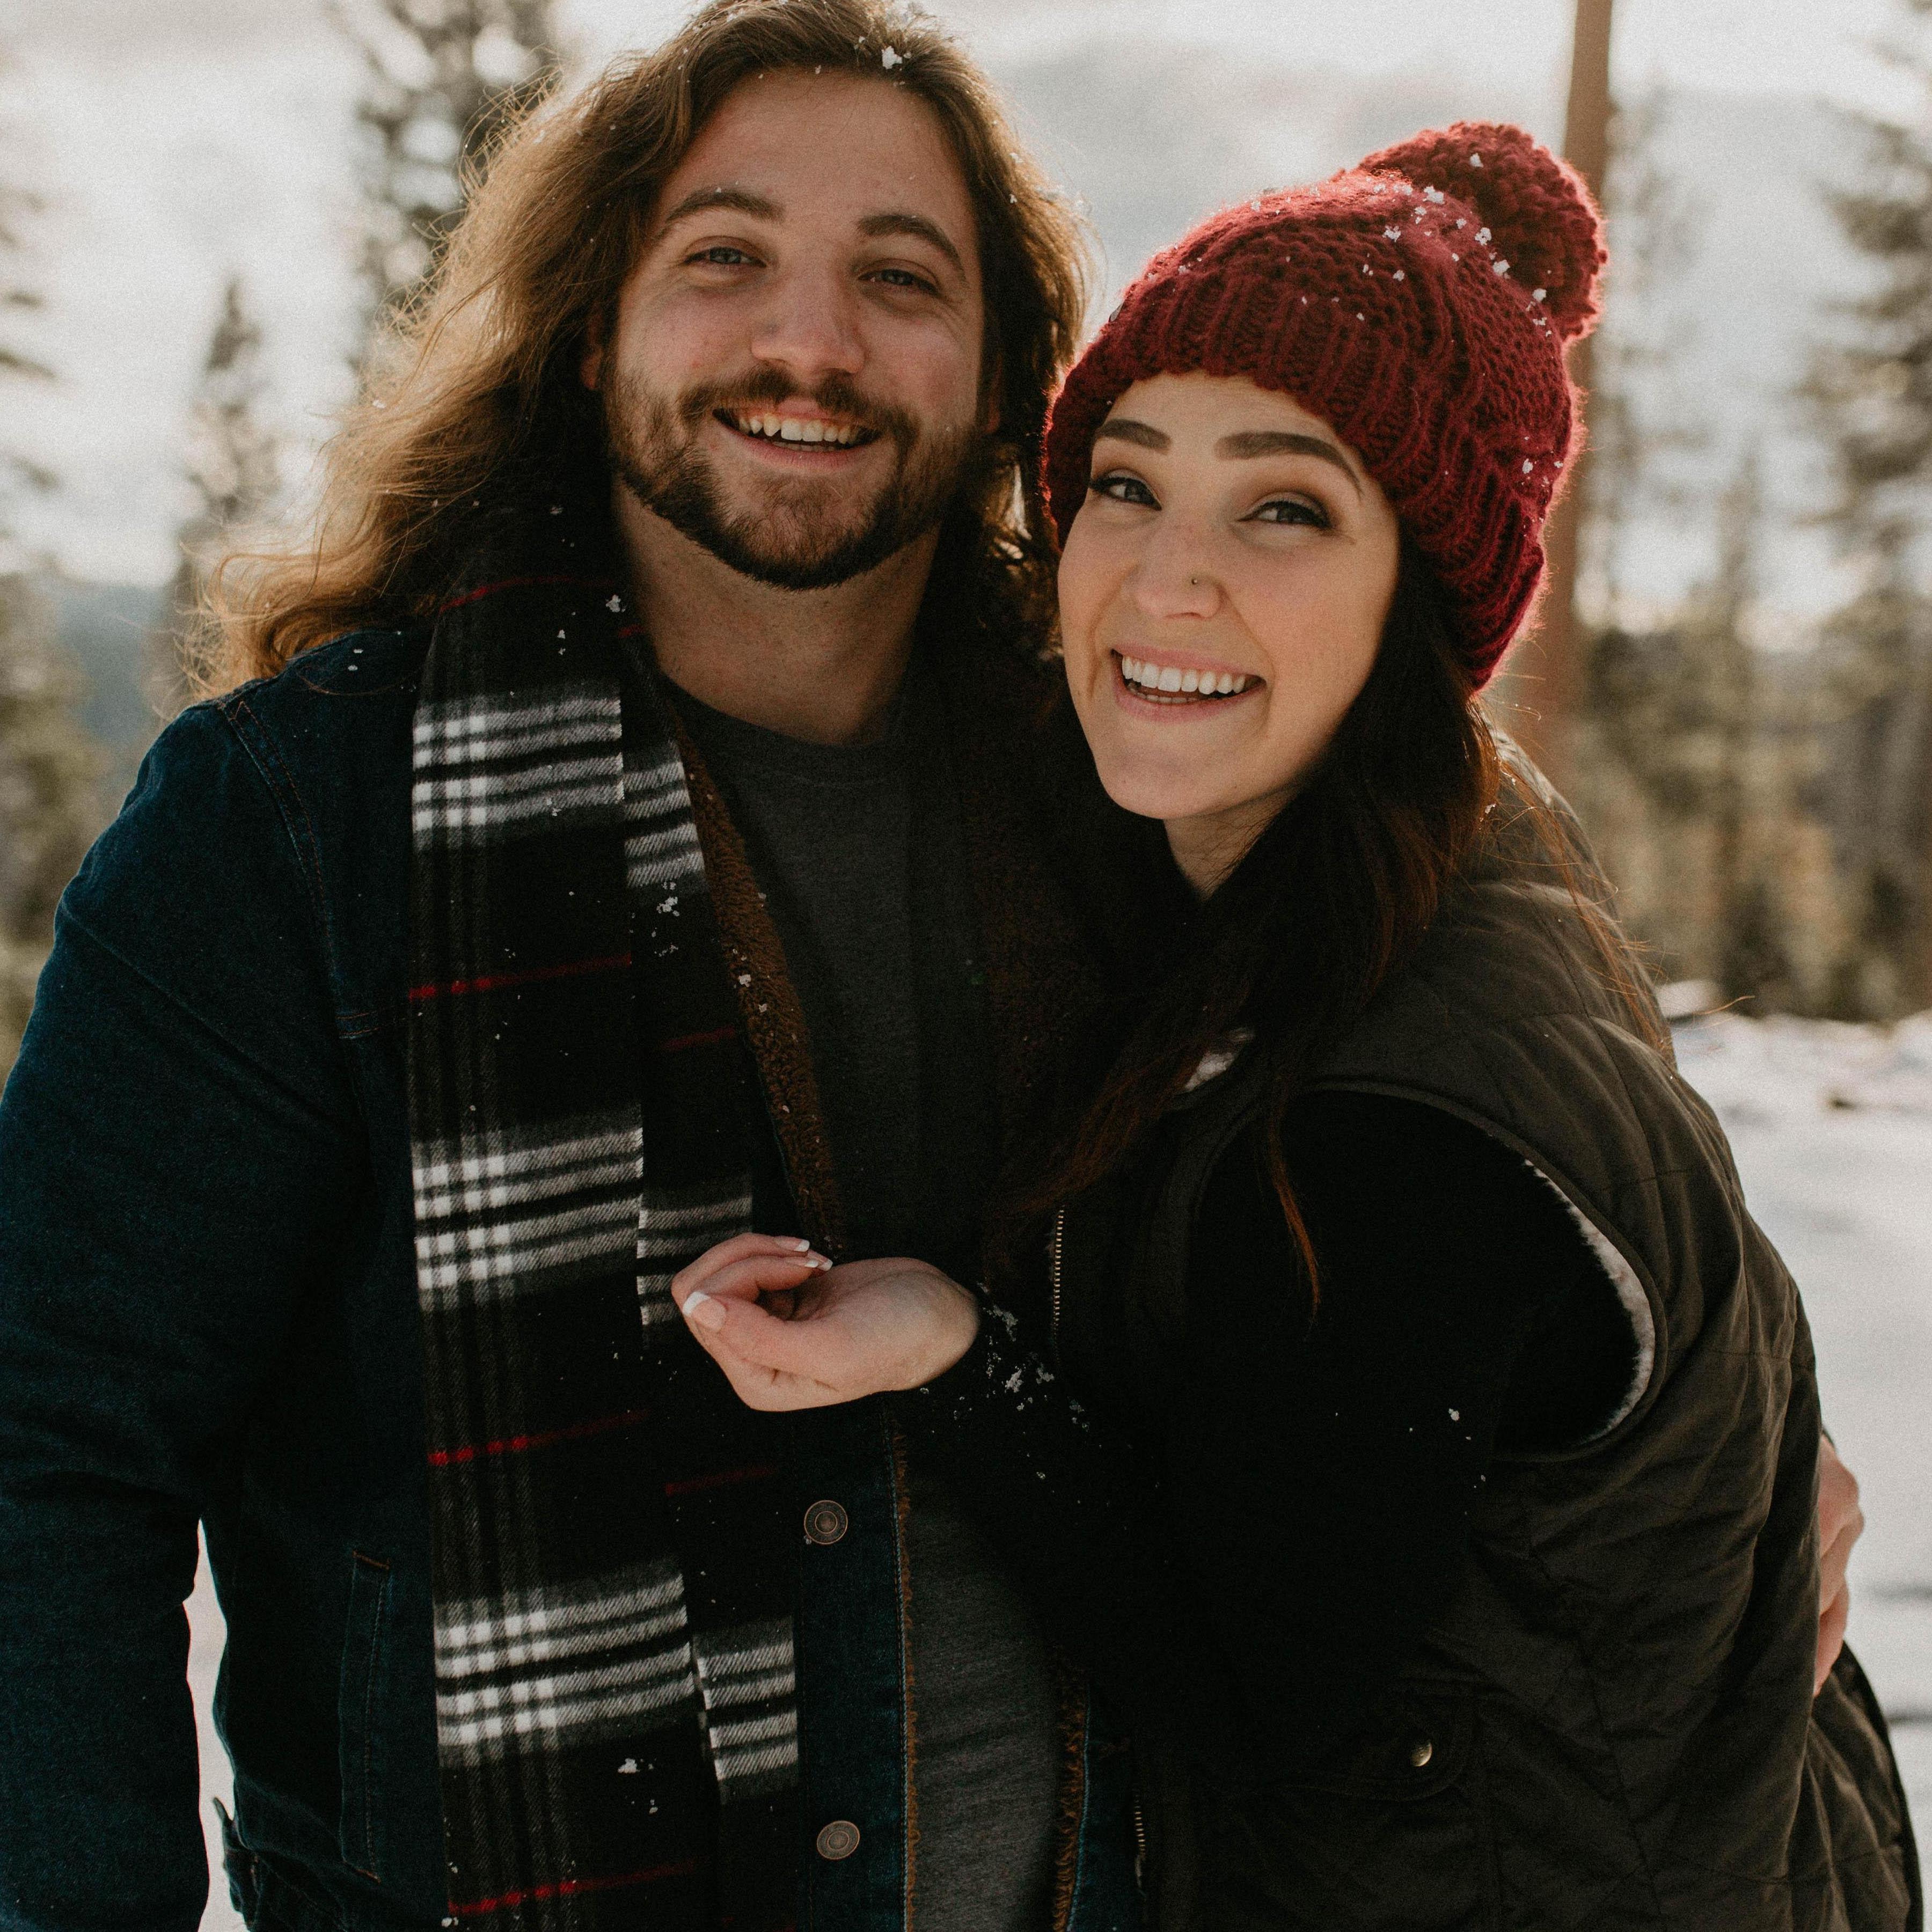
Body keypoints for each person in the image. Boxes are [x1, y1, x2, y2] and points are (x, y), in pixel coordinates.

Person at [666, 123, 1920, 1929]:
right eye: (1124, 482)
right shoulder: (1439, 864)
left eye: (1284, 506)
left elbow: (1251, 1693)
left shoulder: (1381, 1113)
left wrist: (954, 1359)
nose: (1168, 579)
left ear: (1422, 590)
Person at [0, 4, 1153, 1928]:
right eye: (724, 258)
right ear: (586, 317)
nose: (813, 340)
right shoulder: (300, 822)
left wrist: (1720, 1477)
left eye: (902, 276)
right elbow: (48, 1440)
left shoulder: (1138, 803)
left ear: (1012, 367)